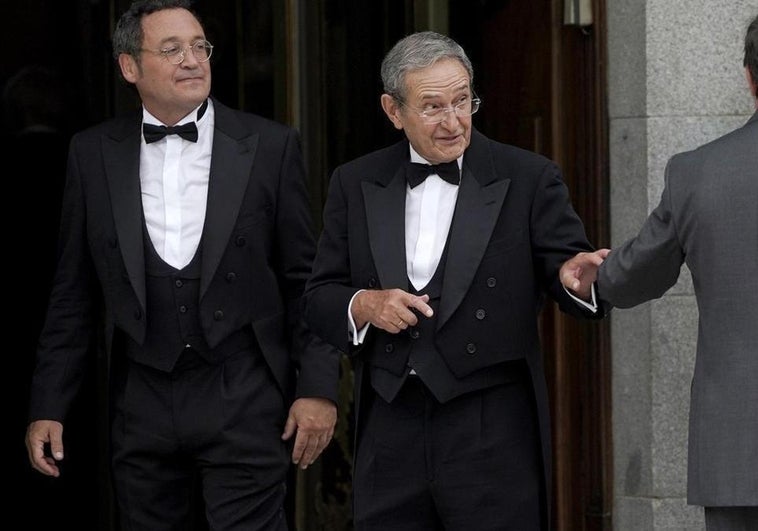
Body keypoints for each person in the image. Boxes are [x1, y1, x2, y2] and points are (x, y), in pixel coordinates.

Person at [24, 1, 339, 530]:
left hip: (243, 393)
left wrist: (318, 389)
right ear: (130, 67)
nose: (192, 60)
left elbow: (305, 281)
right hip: (141, 399)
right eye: (171, 49)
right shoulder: (92, 152)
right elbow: (73, 291)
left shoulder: (269, 146)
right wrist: (48, 402)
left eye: (200, 47)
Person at [303, 30, 606, 530]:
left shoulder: (529, 176)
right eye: (433, 106)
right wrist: (363, 305)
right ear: (393, 110)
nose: (454, 121)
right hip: (390, 422)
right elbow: (319, 297)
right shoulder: (354, 182)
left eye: (463, 101)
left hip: (489, 426)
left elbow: (567, 271)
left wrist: (578, 282)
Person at [561, 14, 758, 531]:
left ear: (749, 77)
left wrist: (591, 279)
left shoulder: (699, 173)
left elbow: (639, 271)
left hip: (740, 450)